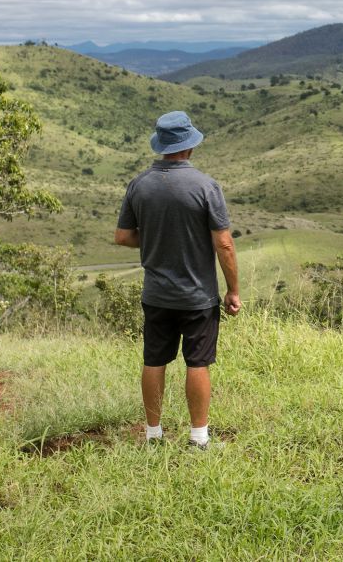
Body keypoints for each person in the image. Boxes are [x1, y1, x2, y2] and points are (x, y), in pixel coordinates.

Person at [114, 111, 241, 448]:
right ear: (190, 147)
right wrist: (233, 290)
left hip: (156, 294)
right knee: (197, 361)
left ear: (162, 145)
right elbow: (224, 243)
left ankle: (153, 434)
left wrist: (158, 236)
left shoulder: (139, 185)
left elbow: (123, 237)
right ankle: (199, 438)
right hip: (197, 295)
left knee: (154, 359)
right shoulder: (205, 186)